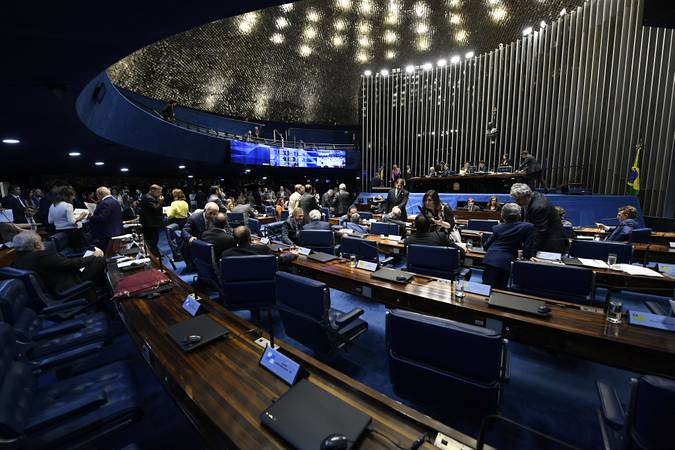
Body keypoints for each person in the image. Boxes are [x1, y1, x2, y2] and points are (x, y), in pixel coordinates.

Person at [12, 231, 105, 294]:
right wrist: (93, 256)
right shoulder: (41, 256)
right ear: (37, 245)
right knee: (99, 260)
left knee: (92, 261)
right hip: (67, 285)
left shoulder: (17, 260)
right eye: (41, 241)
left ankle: (98, 289)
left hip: (54, 286)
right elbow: (71, 264)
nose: (43, 243)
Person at [482, 203, 536, 289]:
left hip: (490, 259)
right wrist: (528, 257)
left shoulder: (497, 228)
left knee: (486, 288)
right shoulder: (528, 227)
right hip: (506, 261)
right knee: (500, 289)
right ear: (519, 215)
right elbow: (528, 246)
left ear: (502, 215)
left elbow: (486, 246)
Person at [510, 183, 566, 253]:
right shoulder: (530, 199)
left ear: (527, 196)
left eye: (518, 199)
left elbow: (539, 232)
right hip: (542, 243)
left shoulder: (539, 207)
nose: (516, 202)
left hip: (550, 246)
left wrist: (529, 252)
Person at [88, 186, 123, 252]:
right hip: (116, 232)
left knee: (106, 253)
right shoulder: (115, 201)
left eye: (97, 195)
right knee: (113, 253)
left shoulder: (104, 203)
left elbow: (102, 218)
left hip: (106, 234)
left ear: (99, 194)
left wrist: (90, 217)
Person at [139, 184, 165, 256]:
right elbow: (155, 208)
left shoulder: (150, 197)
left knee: (153, 241)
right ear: (152, 190)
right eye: (158, 192)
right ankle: (154, 256)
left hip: (151, 223)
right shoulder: (149, 198)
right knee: (152, 241)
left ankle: (155, 254)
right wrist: (160, 201)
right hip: (150, 224)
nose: (160, 194)